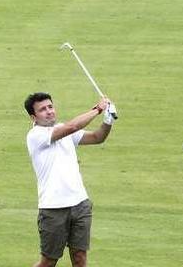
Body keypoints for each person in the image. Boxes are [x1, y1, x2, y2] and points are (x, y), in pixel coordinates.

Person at [24, 92, 116, 267]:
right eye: (42, 109)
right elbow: (71, 127)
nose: (49, 111)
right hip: (53, 209)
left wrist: (108, 119)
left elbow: (98, 137)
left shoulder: (62, 128)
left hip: (80, 204)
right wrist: (97, 109)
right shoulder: (35, 136)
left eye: (50, 106)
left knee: (80, 257)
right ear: (33, 117)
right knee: (48, 262)